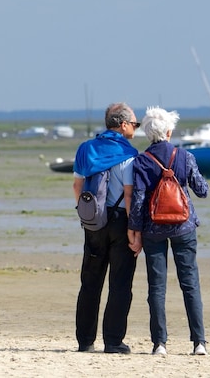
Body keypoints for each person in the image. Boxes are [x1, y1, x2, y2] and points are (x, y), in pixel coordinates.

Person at [127, 106, 210, 356]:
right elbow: (202, 190)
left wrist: (134, 230)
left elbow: (139, 201)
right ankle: (199, 343)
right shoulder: (184, 156)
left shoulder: (142, 160)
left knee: (157, 287)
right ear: (169, 131)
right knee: (190, 284)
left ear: (148, 134)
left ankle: (160, 344)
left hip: (153, 229)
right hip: (183, 227)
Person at [72, 102, 141, 353]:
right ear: (122, 125)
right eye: (135, 124)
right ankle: (112, 341)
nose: (136, 128)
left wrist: (87, 215)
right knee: (120, 283)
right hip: (120, 220)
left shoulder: (86, 148)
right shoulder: (129, 154)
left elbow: (77, 187)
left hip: (93, 222)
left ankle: (85, 341)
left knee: (90, 281)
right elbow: (129, 194)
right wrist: (135, 229)